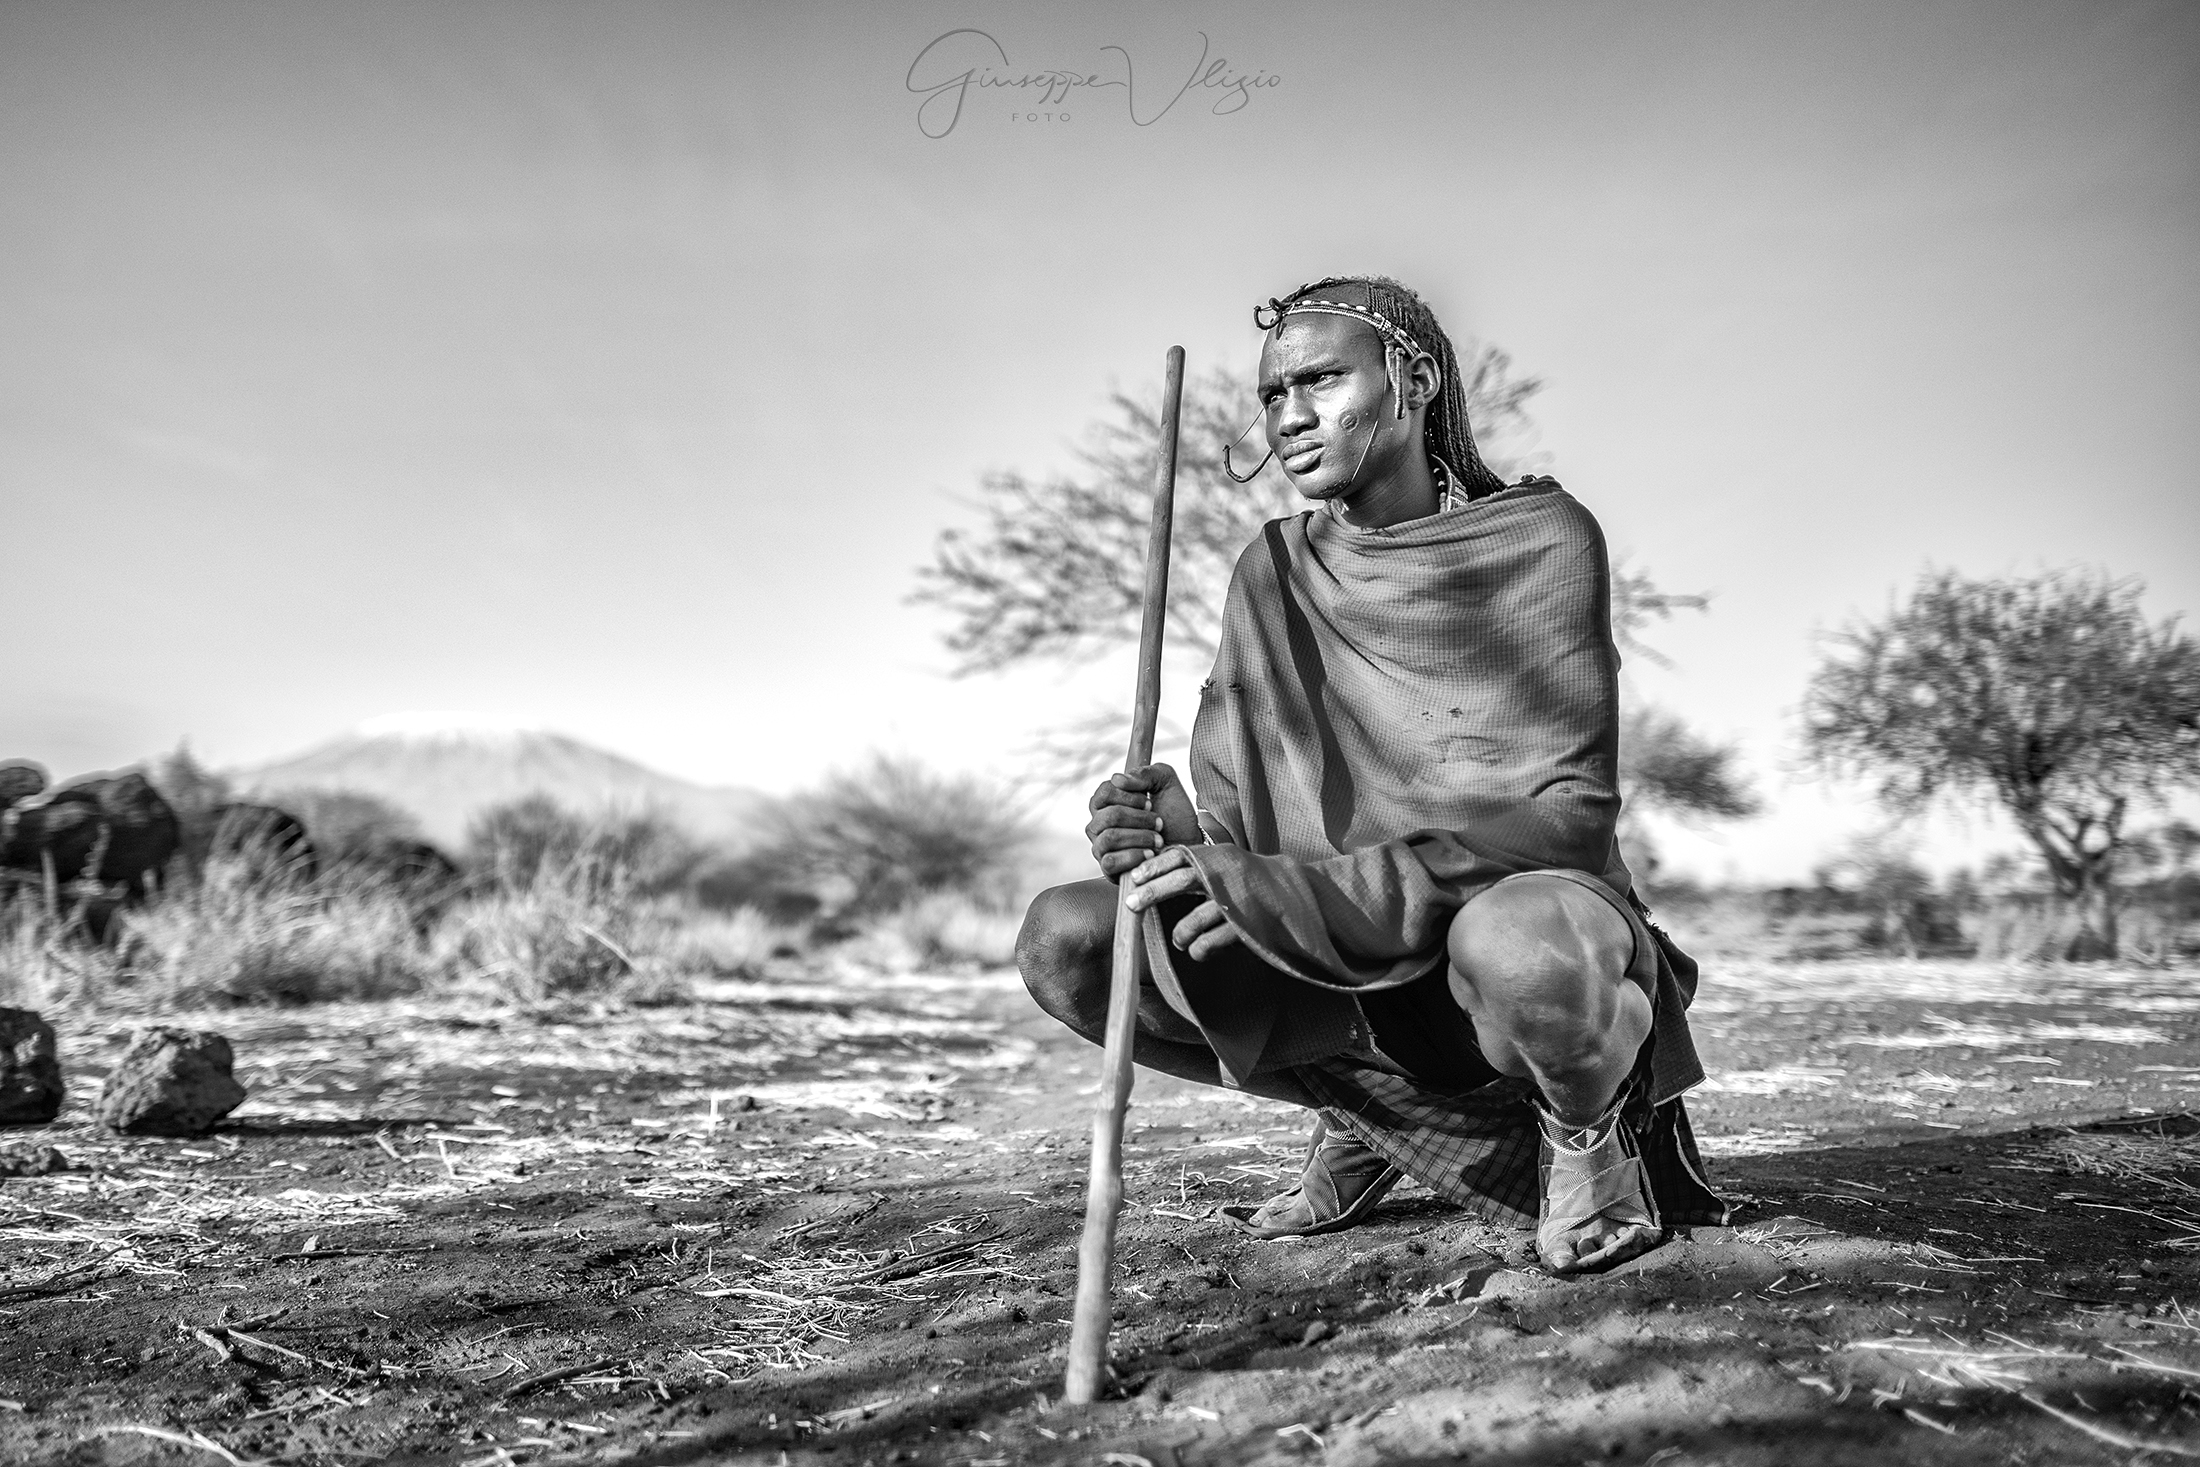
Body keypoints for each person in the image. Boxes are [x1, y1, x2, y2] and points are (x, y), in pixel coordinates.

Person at [1017, 275, 1724, 1274]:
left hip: (1503, 930)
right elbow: (1254, 830)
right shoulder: (1272, 568)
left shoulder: (1539, 540)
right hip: (1337, 956)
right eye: (1272, 394)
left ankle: (1586, 1138)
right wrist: (1179, 837)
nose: (1290, 416)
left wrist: (1305, 893)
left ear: (1415, 380)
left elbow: (1561, 822)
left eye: (1319, 380)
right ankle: (1367, 1113)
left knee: (1522, 951)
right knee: (1069, 939)